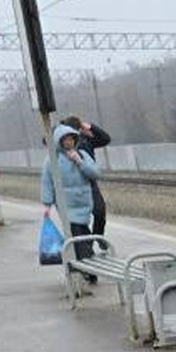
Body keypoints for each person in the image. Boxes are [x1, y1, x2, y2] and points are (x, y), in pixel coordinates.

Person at [40, 122, 103, 287]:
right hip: (66, 205)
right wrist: (47, 204)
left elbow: (95, 174)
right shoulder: (52, 159)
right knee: (77, 238)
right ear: (58, 141)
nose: (68, 142)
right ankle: (88, 270)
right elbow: (47, 182)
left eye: (71, 139)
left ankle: (85, 267)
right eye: (64, 139)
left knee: (85, 234)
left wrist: (80, 162)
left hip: (84, 203)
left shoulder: (81, 154)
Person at [60, 115, 112, 239]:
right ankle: (86, 243)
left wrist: (91, 127)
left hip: (89, 181)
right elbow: (47, 140)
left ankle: (98, 237)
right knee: (79, 219)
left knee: (99, 211)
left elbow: (105, 139)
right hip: (72, 185)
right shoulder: (61, 143)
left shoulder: (86, 140)